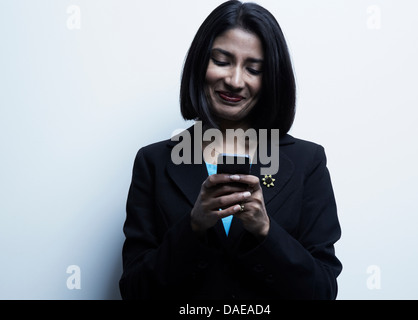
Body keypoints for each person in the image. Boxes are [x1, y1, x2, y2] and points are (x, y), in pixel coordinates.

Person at [119, 0, 342, 300]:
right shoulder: (154, 162)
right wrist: (194, 226)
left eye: (253, 69)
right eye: (222, 61)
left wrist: (266, 230)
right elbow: (135, 291)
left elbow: (322, 292)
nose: (235, 81)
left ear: (271, 78)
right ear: (201, 64)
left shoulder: (307, 162)